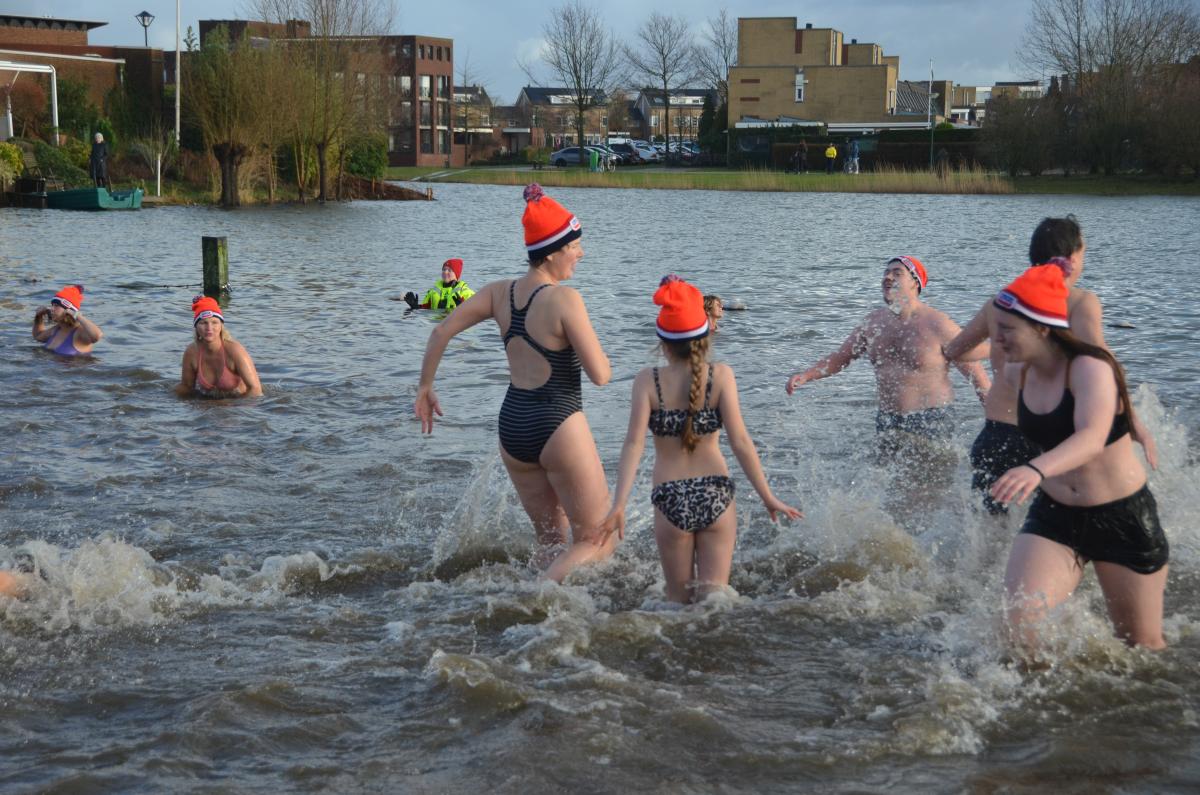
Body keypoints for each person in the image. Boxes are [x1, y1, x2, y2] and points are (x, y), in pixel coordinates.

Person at [414, 184, 616, 583]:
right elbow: (600, 375)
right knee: (598, 539)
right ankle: (540, 594)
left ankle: (530, 593)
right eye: (575, 245)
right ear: (553, 251)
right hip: (558, 423)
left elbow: (440, 332)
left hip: (513, 427)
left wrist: (425, 387)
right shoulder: (565, 300)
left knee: (550, 542)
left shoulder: (498, 293)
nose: (581, 253)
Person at [987, 265, 1167, 652]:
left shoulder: (1089, 368)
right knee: (1016, 633)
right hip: (1054, 514)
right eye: (995, 327)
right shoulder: (1017, 373)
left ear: (1041, 328)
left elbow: (1091, 437)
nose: (996, 339)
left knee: (1142, 647)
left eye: (1006, 329)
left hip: (1122, 518)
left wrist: (1034, 469)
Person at [600, 276, 802, 603]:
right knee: (715, 602)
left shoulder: (647, 381)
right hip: (716, 493)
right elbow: (740, 441)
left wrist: (619, 504)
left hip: (670, 497)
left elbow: (633, 444)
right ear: (705, 336)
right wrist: (767, 496)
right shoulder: (721, 376)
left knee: (677, 603)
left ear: (662, 343)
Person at [944, 215, 1157, 514]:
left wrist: (997, 350)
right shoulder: (1081, 302)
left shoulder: (1000, 304)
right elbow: (1106, 369)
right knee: (1053, 519)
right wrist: (1134, 423)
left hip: (996, 433)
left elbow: (955, 351)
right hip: (1046, 435)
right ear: (1073, 257)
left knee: (988, 531)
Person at [786, 256, 990, 446]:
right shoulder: (873, 323)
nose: (888, 277)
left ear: (915, 283)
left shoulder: (939, 324)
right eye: (886, 273)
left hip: (931, 419)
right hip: (887, 419)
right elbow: (842, 357)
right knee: (885, 473)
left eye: (897, 273)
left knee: (934, 474)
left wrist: (997, 425)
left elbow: (978, 377)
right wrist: (807, 375)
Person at [176, 296, 263, 398]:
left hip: (238, 403)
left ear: (221, 326)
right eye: (203, 323)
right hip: (208, 404)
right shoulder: (192, 352)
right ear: (196, 327)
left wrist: (238, 407)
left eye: (214, 322)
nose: (209, 328)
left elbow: (255, 390)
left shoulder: (235, 350)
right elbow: (187, 387)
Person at [32, 284, 103, 356]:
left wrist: (77, 315)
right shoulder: (57, 329)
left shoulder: (79, 332)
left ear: (69, 310)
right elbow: (38, 337)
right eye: (52, 305)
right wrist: (39, 316)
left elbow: (97, 336)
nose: (51, 309)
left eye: (56, 306)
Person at [403, 258, 476, 311]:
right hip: (436, 324)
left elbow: (476, 313)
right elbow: (426, 309)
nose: (445, 272)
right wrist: (415, 307)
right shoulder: (433, 291)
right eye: (444, 269)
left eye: (449, 270)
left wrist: (462, 307)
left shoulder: (466, 292)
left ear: (456, 274)